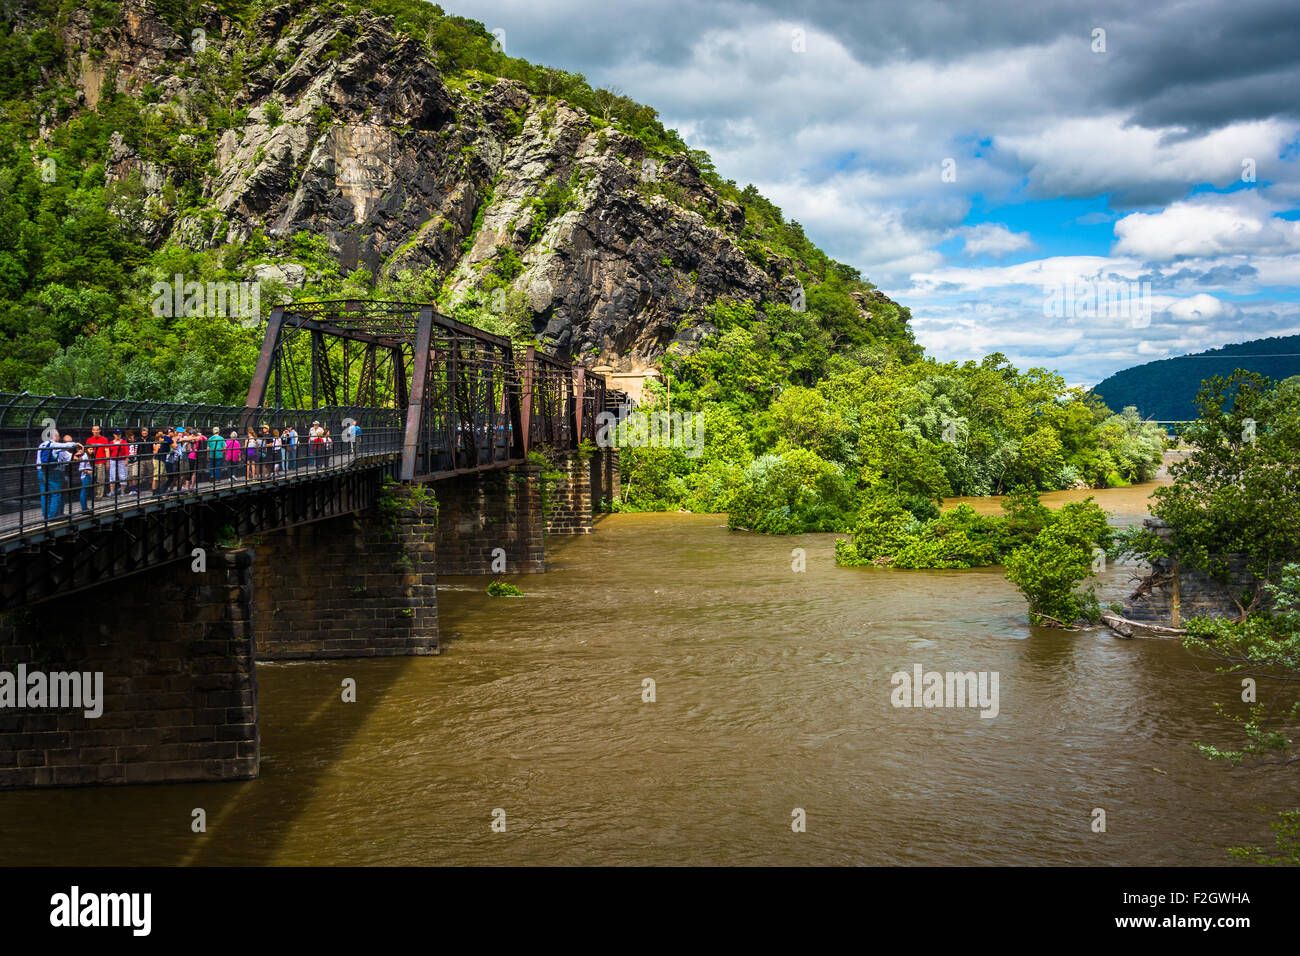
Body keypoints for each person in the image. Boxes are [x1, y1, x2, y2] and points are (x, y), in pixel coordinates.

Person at [36, 433, 80, 519]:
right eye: (58, 436)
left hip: (41, 471)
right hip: (53, 471)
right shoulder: (53, 444)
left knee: (45, 494)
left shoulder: (41, 445)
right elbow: (67, 446)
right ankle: (53, 515)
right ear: (55, 437)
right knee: (55, 493)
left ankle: (46, 515)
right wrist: (76, 444)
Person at [84, 424, 109, 498]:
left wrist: (107, 461)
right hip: (92, 462)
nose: (95, 431)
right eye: (94, 430)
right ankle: (93, 494)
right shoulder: (89, 440)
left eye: (97, 430)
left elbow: (107, 450)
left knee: (100, 479)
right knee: (93, 479)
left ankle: (99, 496)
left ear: (99, 431)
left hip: (101, 461)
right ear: (92, 431)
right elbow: (87, 452)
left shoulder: (104, 439)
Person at [107, 428, 130, 498]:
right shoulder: (111, 442)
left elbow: (127, 451)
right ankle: (112, 491)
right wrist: (108, 461)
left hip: (122, 460)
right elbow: (109, 451)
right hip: (113, 460)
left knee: (123, 475)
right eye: (116, 434)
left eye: (119, 434)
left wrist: (126, 459)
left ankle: (122, 491)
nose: (118, 436)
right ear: (114, 435)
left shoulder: (124, 442)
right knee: (112, 475)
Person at [76, 446, 94, 511]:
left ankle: (85, 507)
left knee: (86, 492)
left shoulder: (90, 456)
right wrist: (87, 472)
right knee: (84, 491)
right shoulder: (84, 457)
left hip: (89, 475)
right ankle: (84, 507)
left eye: (92, 449)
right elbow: (80, 468)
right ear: (87, 450)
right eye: (90, 449)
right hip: (86, 475)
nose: (92, 451)